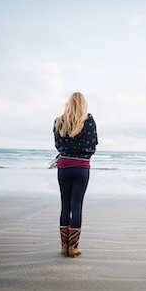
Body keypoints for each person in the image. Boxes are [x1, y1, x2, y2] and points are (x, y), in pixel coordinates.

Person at [53, 92, 98, 257]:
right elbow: (94, 143)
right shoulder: (89, 121)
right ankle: (73, 247)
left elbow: (58, 145)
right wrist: (85, 156)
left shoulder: (59, 121)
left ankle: (64, 246)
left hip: (63, 166)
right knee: (76, 205)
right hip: (81, 168)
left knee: (65, 205)